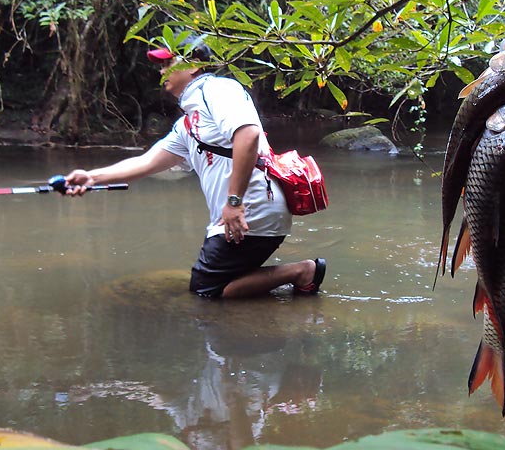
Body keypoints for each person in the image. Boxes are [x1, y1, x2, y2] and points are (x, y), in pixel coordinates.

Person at [61, 34, 326, 299]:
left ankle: (302, 272)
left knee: (206, 290)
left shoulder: (217, 90)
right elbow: (146, 163)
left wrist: (234, 202)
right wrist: (90, 177)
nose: (162, 71)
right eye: (161, 66)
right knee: (211, 287)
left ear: (192, 66)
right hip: (246, 212)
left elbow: (248, 135)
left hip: (250, 209)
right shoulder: (187, 124)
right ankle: (294, 275)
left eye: (168, 63)